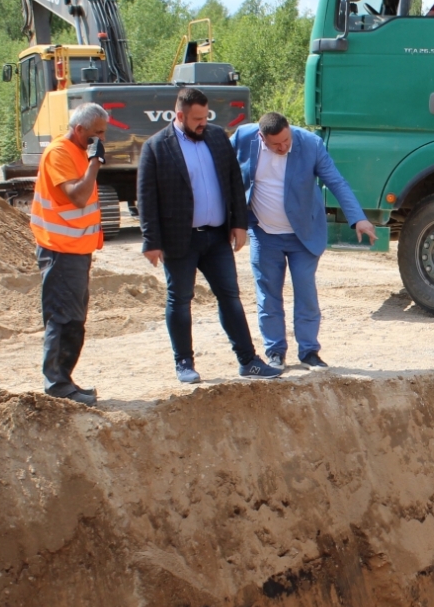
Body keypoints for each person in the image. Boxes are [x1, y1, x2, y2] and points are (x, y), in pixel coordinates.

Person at [138, 87, 282, 383]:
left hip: (216, 237)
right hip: (180, 239)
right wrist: (151, 241)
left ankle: (248, 360)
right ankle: (184, 363)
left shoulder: (216, 137)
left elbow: (233, 180)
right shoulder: (155, 148)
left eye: (205, 117)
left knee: (230, 297)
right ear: (179, 115)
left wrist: (239, 224)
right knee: (180, 299)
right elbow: (147, 197)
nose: (202, 123)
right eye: (196, 119)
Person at [235, 113, 375, 369]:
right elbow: (224, 175)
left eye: (286, 140)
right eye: (276, 144)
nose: (283, 147)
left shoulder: (310, 143)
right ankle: (275, 351)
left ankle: (309, 351)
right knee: (268, 295)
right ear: (261, 137)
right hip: (264, 234)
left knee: (305, 292)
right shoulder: (243, 139)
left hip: (304, 234)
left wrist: (358, 219)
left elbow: (336, 181)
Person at [31, 104, 106, 405]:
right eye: (97, 133)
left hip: (75, 249)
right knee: (62, 318)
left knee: (74, 319)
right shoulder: (59, 153)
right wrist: (95, 164)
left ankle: (65, 380)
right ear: (80, 131)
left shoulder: (78, 152)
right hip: (60, 250)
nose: (102, 138)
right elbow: (77, 196)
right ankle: (57, 385)